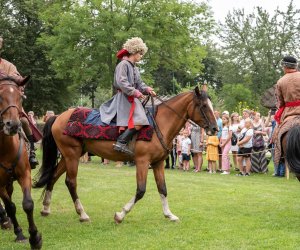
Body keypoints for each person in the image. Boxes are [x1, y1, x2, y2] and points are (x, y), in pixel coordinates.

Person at [100, 37, 156, 155]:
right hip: (124, 99)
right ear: (134, 52)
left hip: (132, 99)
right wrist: (136, 93)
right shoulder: (123, 64)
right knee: (141, 120)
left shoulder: (135, 67)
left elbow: (140, 84)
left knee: (143, 119)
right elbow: (122, 83)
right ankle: (120, 143)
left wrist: (147, 89)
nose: (141, 56)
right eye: (140, 53)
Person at [0, 36, 38, 168]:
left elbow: (19, 80)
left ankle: (31, 152)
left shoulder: (9, 65)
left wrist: (19, 88)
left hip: (8, 103)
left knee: (24, 121)